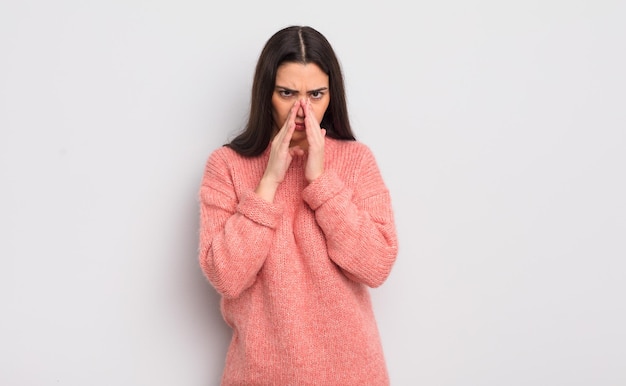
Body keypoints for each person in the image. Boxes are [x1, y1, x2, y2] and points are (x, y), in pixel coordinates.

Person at [198, 25, 398, 385]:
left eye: (316, 94)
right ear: (266, 94)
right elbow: (226, 276)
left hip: (353, 375)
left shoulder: (357, 160)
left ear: (332, 94)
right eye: (287, 93)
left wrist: (321, 182)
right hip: (259, 376)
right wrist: (269, 181)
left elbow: (377, 266)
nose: (302, 110)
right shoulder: (226, 166)